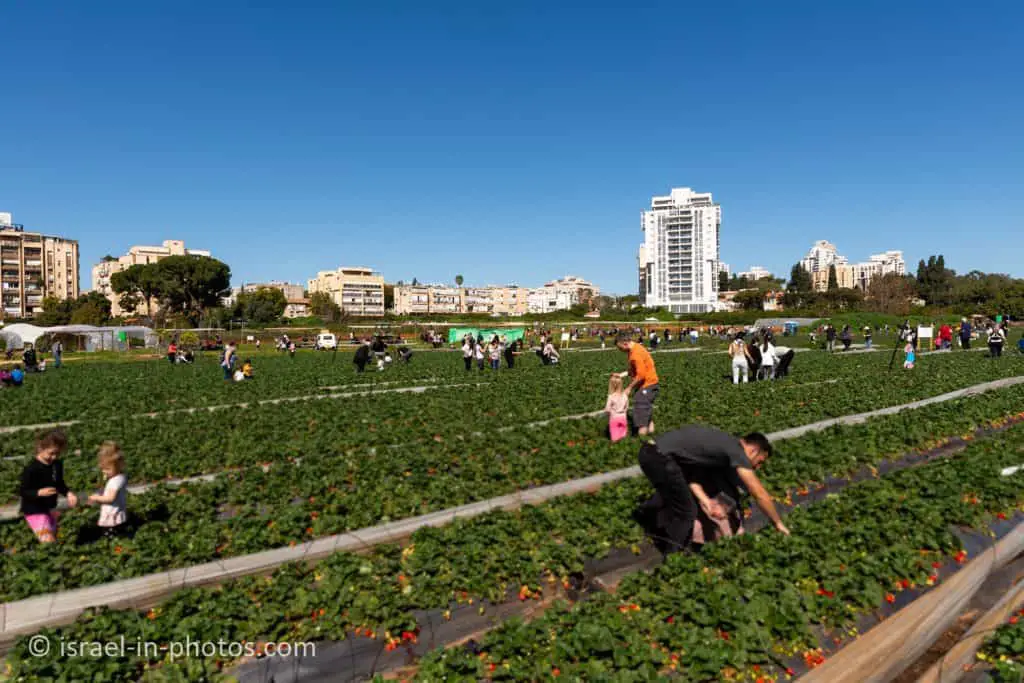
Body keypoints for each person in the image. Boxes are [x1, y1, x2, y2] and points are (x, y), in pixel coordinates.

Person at [635, 426, 789, 555]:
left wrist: (707, 502)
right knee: (686, 512)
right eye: (759, 461)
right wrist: (777, 523)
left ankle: (649, 518)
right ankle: (673, 558)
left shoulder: (723, 447)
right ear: (753, 451)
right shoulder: (737, 452)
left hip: (652, 453)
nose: (757, 467)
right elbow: (759, 493)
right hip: (658, 457)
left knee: (678, 500)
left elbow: (692, 476)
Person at [20, 429, 78, 543]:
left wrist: (68, 493)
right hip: (34, 510)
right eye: (51, 453)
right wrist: (38, 492)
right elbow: (23, 491)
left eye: (58, 453)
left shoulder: (57, 465)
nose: (54, 457)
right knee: (48, 541)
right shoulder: (31, 469)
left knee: (54, 537)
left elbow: (59, 484)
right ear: (40, 448)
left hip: (49, 507)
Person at [615, 333, 659, 436]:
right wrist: (621, 375)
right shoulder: (635, 348)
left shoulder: (635, 354)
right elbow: (635, 370)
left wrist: (629, 388)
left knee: (640, 409)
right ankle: (652, 434)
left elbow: (641, 375)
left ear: (625, 343)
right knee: (645, 410)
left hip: (647, 384)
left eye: (620, 347)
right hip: (650, 384)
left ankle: (641, 440)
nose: (620, 350)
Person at [87, 442, 129, 539]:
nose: (104, 472)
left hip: (111, 514)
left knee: (110, 537)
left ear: (119, 466)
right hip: (117, 511)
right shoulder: (120, 477)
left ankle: (114, 549)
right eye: (103, 469)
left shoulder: (114, 481)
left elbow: (110, 498)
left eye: (107, 469)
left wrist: (96, 498)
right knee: (119, 535)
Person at [605, 375, 630, 443]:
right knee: (623, 437)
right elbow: (627, 406)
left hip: (614, 418)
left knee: (615, 438)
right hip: (623, 417)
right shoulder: (625, 395)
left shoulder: (611, 396)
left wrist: (608, 413)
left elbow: (607, 409)